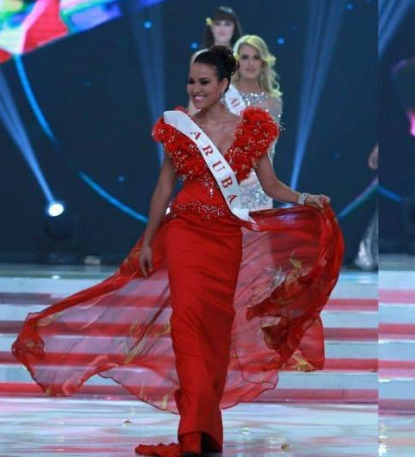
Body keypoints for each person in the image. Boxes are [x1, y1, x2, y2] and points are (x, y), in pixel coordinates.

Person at [12, 46, 343, 457]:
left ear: (225, 84)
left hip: (225, 239)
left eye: (205, 82)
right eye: (191, 82)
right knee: (187, 328)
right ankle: (192, 436)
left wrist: (303, 196)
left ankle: (206, 432)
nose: (196, 89)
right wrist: (149, 241)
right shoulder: (178, 127)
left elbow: (271, 184)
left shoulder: (253, 127)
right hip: (185, 234)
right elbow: (163, 189)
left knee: (215, 336)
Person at [223, 34, 283, 210]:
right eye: (245, 57)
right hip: (227, 180)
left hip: (259, 183)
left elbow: (271, 144)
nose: (250, 63)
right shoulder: (224, 95)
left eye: (256, 57)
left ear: (263, 62)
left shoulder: (273, 101)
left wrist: (254, 177)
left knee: (258, 236)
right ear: (237, 61)